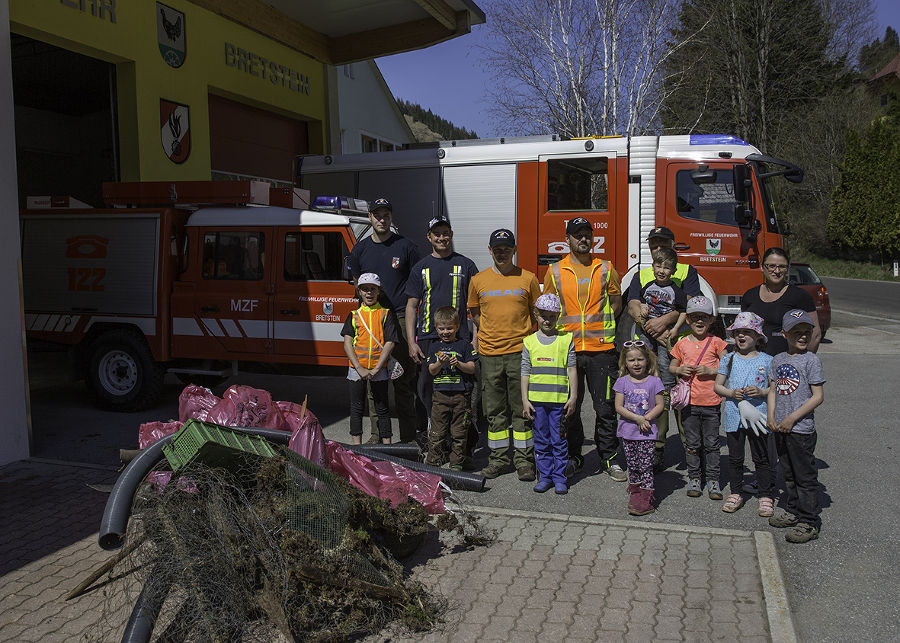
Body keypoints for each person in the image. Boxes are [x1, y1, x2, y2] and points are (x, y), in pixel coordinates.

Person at [542, 217, 623, 481]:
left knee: (606, 408)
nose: (583, 239)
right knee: (570, 409)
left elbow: (616, 303)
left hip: (602, 350)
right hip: (569, 351)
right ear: (567, 239)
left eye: (587, 234)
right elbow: (549, 311)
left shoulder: (607, 268)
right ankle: (574, 456)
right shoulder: (554, 271)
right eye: (577, 235)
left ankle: (609, 457)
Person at [626, 226, 702, 472]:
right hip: (653, 339)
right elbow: (633, 306)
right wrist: (650, 327)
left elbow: (690, 305)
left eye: (663, 242)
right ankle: (656, 448)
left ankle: (691, 451)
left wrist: (666, 323)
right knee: (653, 393)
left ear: (673, 243)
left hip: (678, 344)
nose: (657, 247)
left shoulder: (686, 271)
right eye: (653, 243)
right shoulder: (642, 274)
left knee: (679, 396)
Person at [468, 228, 541, 480]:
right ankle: (498, 460)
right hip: (489, 354)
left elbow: (536, 314)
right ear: (490, 250)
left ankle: (524, 462)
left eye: (506, 249)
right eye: (497, 249)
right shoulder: (478, 280)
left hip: (520, 353)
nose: (501, 253)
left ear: (514, 250)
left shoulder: (528, 278)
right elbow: (476, 315)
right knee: (494, 411)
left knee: (522, 409)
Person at [347, 197, 420, 443]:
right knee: (372, 381)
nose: (381, 219)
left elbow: (417, 284)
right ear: (370, 218)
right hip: (372, 320)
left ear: (391, 217)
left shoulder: (406, 247)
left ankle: (409, 439)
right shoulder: (360, 249)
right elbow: (358, 283)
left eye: (386, 214)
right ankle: (378, 437)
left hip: (398, 317)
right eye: (377, 215)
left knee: (403, 379)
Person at [405, 216, 479, 438]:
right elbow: (411, 306)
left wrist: (475, 339)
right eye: (437, 234)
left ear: (451, 235)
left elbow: (476, 308)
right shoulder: (421, 268)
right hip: (428, 339)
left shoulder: (466, 265)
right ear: (429, 237)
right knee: (427, 388)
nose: (442, 238)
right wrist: (411, 342)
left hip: (461, 339)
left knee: (463, 388)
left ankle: (462, 434)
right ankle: (433, 432)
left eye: (445, 233)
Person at [766, 309, 825, 543]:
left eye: (806, 332)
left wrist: (792, 418)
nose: (802, 336)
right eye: (796, 332)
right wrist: (772, 416)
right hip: (780, 427)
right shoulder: (778, 360)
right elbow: (772, 390)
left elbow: (817, 396)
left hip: (800, 430)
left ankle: (809, 521)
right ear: (784, 334)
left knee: (805, 476)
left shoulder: (811, 360)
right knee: (788, 473)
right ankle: (793, 510)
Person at [713, 312, 775, 517]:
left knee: (761, 457)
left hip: (759, 416)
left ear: (758, 336)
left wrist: (761, 392)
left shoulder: (768, 361)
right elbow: (718, 386)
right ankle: (736, 492)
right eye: (738, 332)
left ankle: (765, 495)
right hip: (733, 415)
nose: (741, 336)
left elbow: (773, 390)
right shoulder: (729, 359)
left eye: (746, 332)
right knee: (735, 457)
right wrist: (731, 393)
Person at [669, 296, 728, 499]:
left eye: (704, 317)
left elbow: (728, 367)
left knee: (712, 444)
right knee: (692, 444)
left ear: (711, 320)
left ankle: (713, 480)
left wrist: (711, 370)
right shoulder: (682, 343)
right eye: (695, 317)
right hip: (689, 403)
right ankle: (695, 478)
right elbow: (671, 366)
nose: (699, 321)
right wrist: (680, 369)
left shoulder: (717, 343)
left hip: (711, 402)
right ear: (688, 320)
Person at [521, 294, 577, 495]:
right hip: (537, 403)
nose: (547, 320)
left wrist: (573, 397)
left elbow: (572, 370)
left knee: (559, 440)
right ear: (536, 315)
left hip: (559, 403)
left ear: (558, 317)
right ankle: (545, 476)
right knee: (542, 440)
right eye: (543, 316)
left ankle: (559, 478)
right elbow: (525, 372)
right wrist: (525, 400)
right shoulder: (529, 342)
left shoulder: (565, 340)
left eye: (552, 316)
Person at [340, 273, 398, 445]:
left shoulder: (386, 314)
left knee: (382, 407)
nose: (369, 293)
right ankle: (356, 446)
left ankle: (387, 446)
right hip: (357, 369)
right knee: (357, 407)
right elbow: (347, 344)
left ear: (378, 291)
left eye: (372, 289)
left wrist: (376, 368)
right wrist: (359, 368)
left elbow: (390, 342)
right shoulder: (354, 314)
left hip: (378, 369)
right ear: (359, 292)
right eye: (365, 289)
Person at [613, 341, 665, 516]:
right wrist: (637, 418)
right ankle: (635, 493)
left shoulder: (654, 381)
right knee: (632, 464)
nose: (636, 363)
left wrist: (647, 418)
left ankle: (647, 496)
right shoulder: (622, 382)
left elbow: (660, 405)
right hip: (628, 432)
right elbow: (619, 407)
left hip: (647, 433)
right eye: (632, 360)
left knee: (646, 466)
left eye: (640, 359)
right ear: (625, 363)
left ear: (647, 361)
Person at [740, 247, 821, 356]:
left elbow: (815, 335)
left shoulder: (801, 297)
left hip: (787, 367)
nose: (777, 271)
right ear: (762, 267)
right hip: (755, 366)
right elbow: (743, 331)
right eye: (771, 266)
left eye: (782, 266)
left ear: (787, 269)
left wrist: (803, 362)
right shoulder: (749, 296)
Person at [424, 306, 478, 470]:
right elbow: (431, 370)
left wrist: (458, 363)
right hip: (440, 397)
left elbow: (472, 368)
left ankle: (457, 463)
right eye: (441, 328)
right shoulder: (434, 347)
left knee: (459, 432)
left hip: (461, 397)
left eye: (449, 328)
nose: (445, 332)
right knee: (437, 432)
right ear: (436, 328)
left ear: (457, 327)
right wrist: (440, 363)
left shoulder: (465, 346)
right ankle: (434, 460)